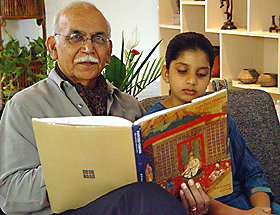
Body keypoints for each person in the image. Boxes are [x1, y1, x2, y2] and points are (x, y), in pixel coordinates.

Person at [0, 2, 209, 214]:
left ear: (108, 52)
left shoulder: (129, 106)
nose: (88, 48)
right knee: (142, 197)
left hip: (130, 207)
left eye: (98, 39)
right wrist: (76, 170)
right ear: (53, 47)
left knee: (149, 196)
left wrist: (186, 197)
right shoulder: (24, 106)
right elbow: (9, 196)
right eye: (76, 37)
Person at [144, 31, 280, 215]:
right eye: (182, 71)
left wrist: (262, 209)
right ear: (166, 73)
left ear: (209, 79)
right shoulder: (151, 127)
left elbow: (252, 173)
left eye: (201, 74)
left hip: (248, 206)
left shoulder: (219, 117)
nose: (191, 81)